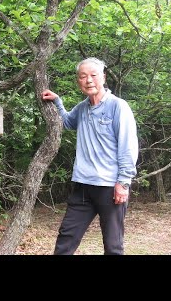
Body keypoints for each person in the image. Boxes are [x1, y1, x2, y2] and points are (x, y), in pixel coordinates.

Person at [42, 57, 139, 255]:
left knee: (113, 245)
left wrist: (124, 182)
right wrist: (58, 102)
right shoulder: (82, 108)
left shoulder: (118, 106)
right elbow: (68, 122)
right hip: (83, 186)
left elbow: (128, 146)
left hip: (110, 187)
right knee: (66, 238)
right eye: (83, 76)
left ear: (103, 77)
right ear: (79, 81)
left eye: (93, 75)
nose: (89, 80)